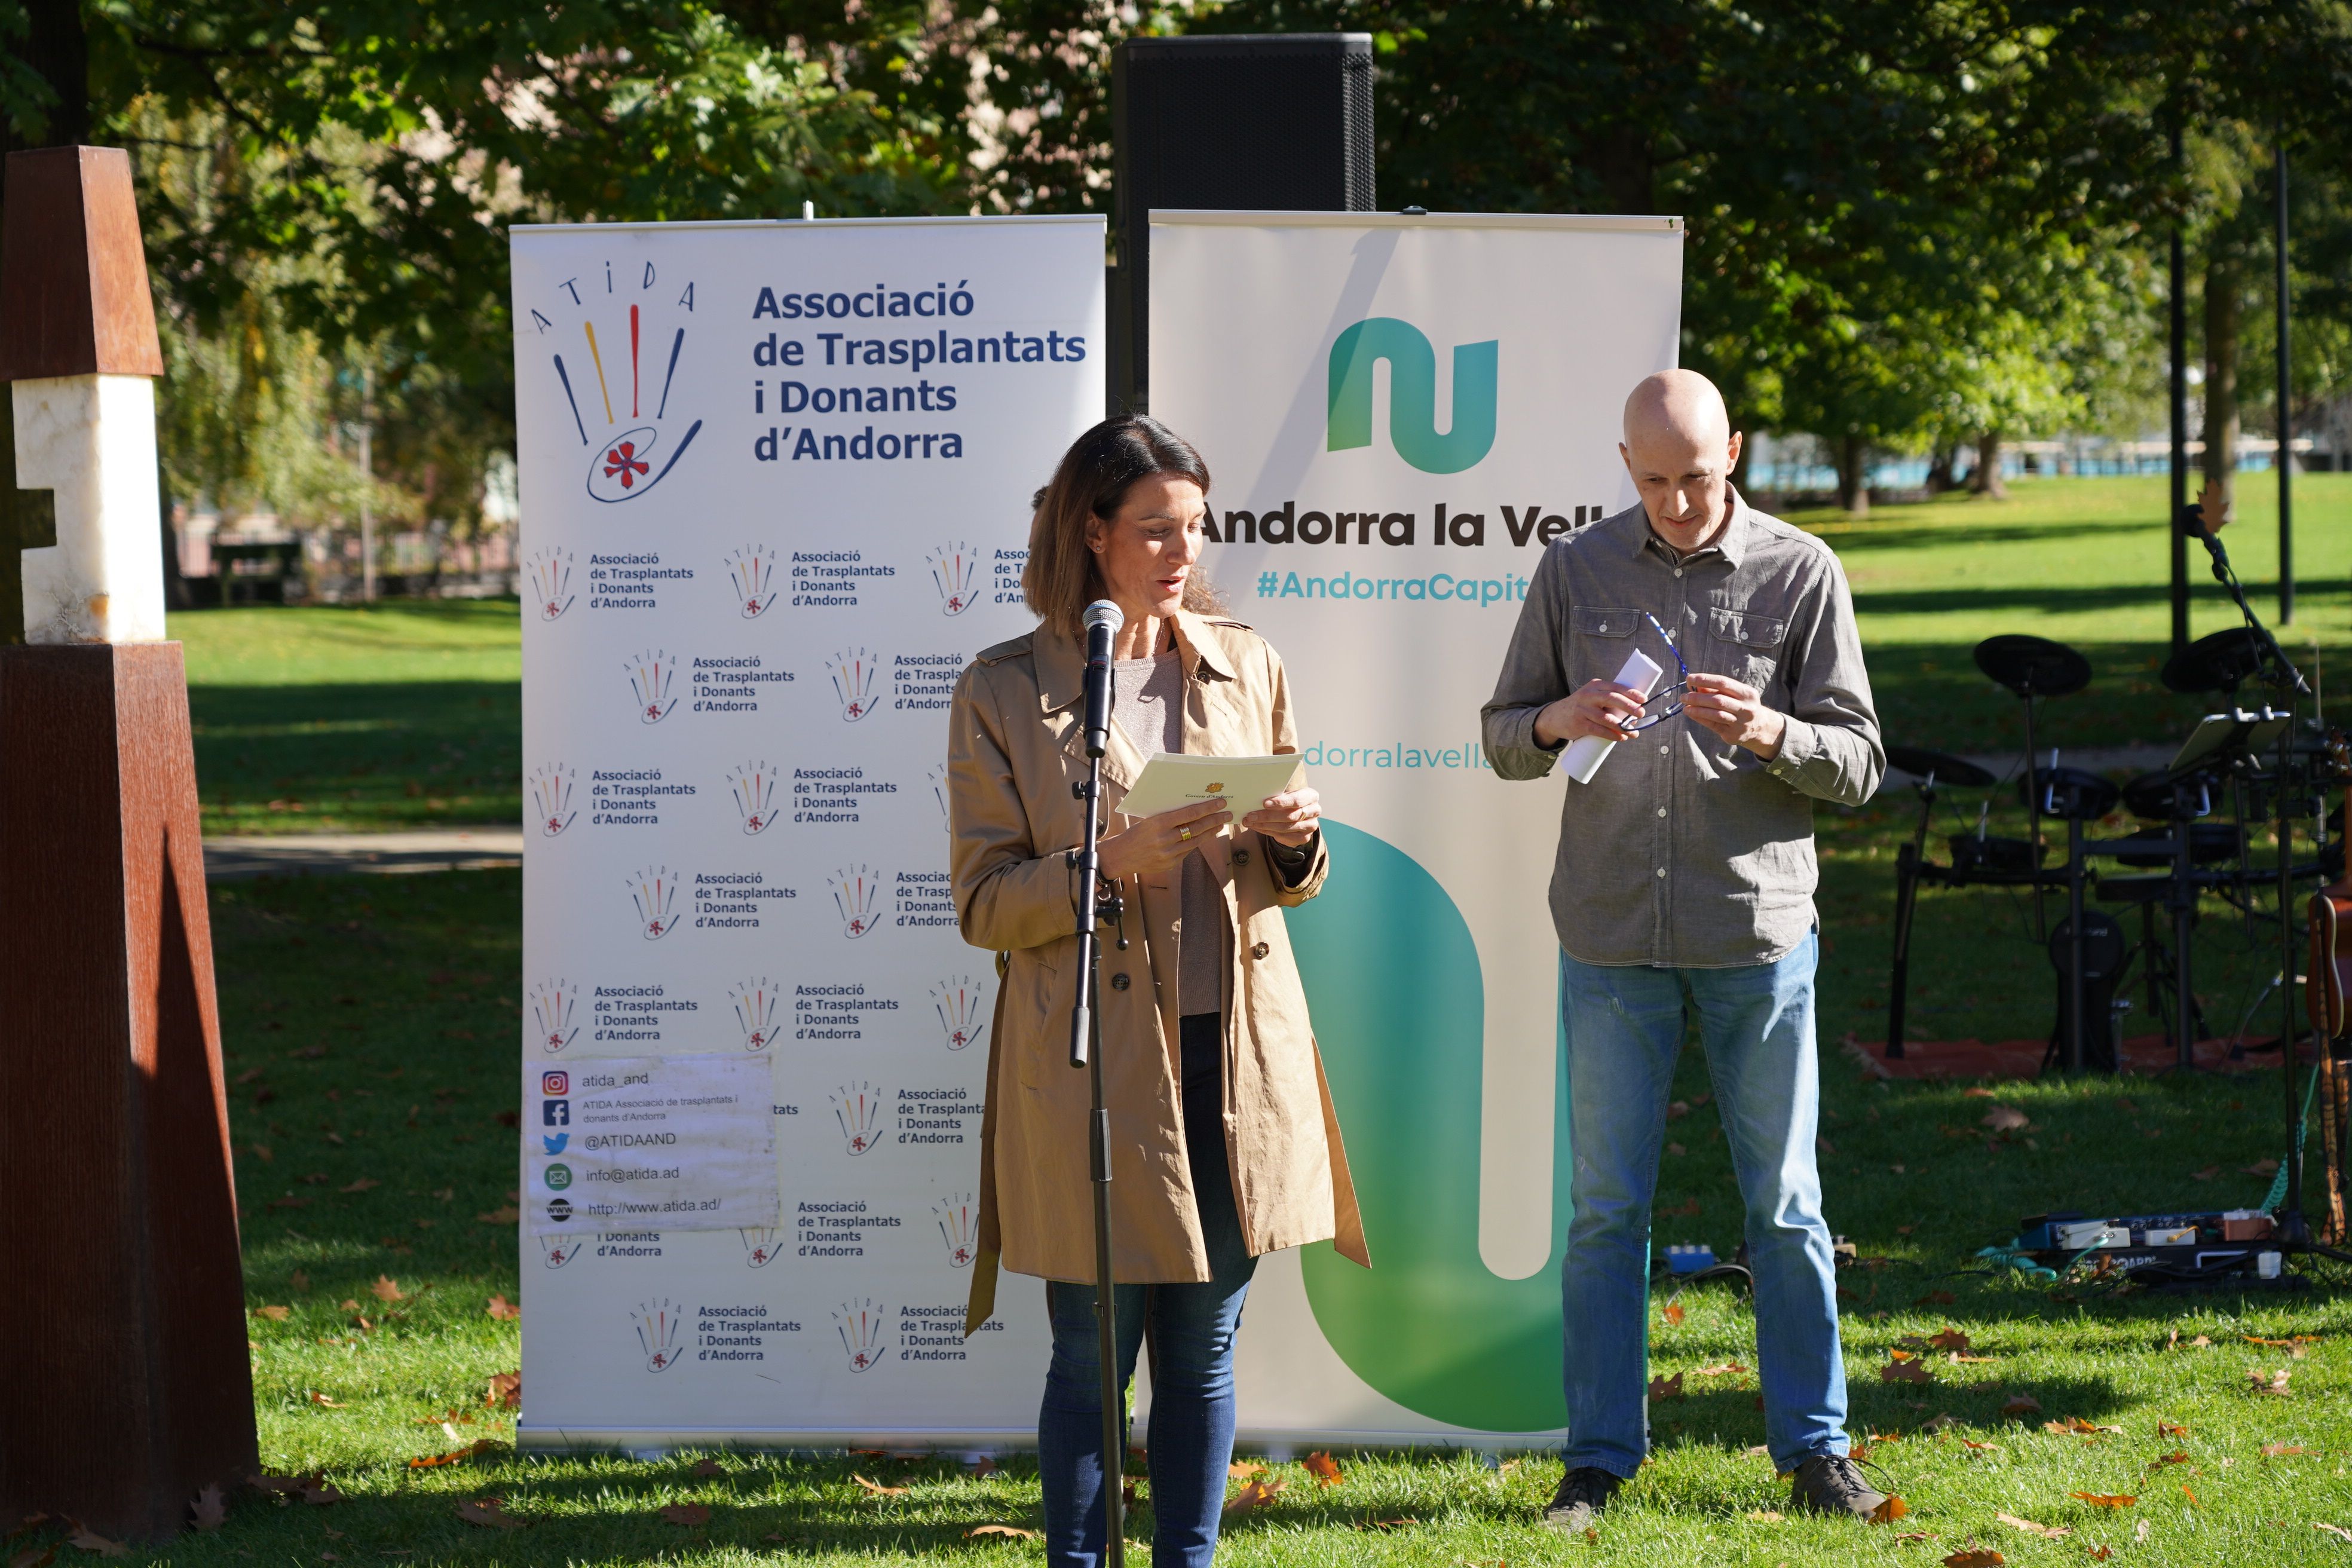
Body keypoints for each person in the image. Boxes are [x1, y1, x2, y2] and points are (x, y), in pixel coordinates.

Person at [947, 415, 1368, 1568]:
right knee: (1089, 1361)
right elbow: (983, 904)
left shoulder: (1247, 662)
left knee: (1203, 1355)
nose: (1185, 552)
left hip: (1231, 1059)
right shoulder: (1002, 689)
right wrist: (1105, 866)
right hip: (1091, 1064)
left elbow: (1293, 879)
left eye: (1195, 526)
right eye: (1155, 529)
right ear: (1092, 533)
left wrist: (1296, 837)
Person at [1479, 370, 1885, 1526]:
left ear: (1735, 452)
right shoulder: (1575, 569)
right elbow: (1503, 737)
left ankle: (1817, 1454)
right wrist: (1558, 718)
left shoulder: (1801, 570)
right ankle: (1598, 1459)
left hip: (1755, 934)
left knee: (1786, 1207)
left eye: (1696, 478)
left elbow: (1861, 765)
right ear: (1625, 464)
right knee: (1607, 1213)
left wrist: (1774, 732)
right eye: (1653, 481)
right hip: (1612, 933)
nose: (1676, 503)